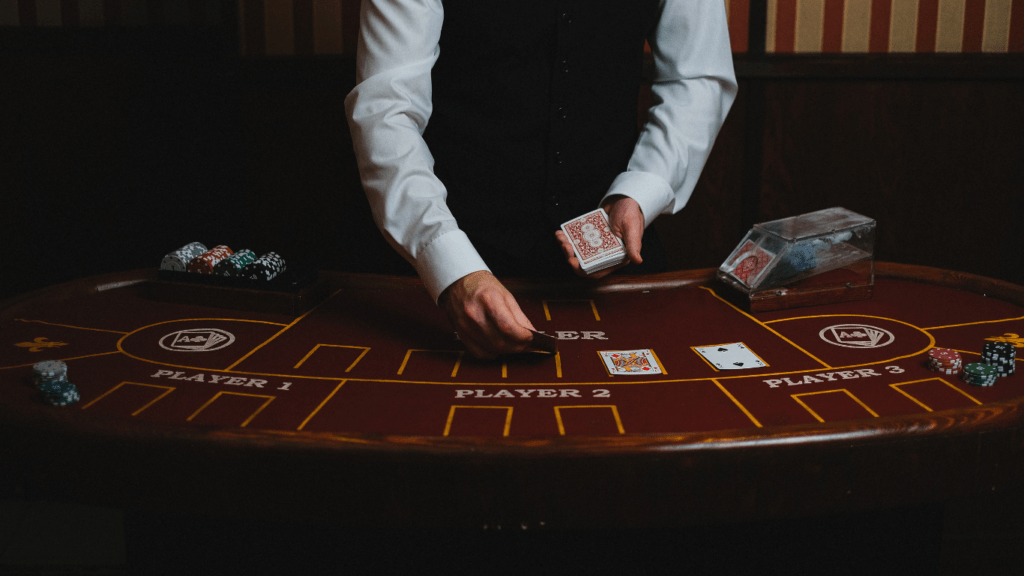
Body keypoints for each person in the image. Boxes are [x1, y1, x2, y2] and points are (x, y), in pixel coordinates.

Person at [346, 0, 737, 359]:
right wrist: (449, 263)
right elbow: (386, 109)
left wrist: (641, 190)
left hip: (615, 264)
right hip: (444, 264)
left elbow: (698, 78)